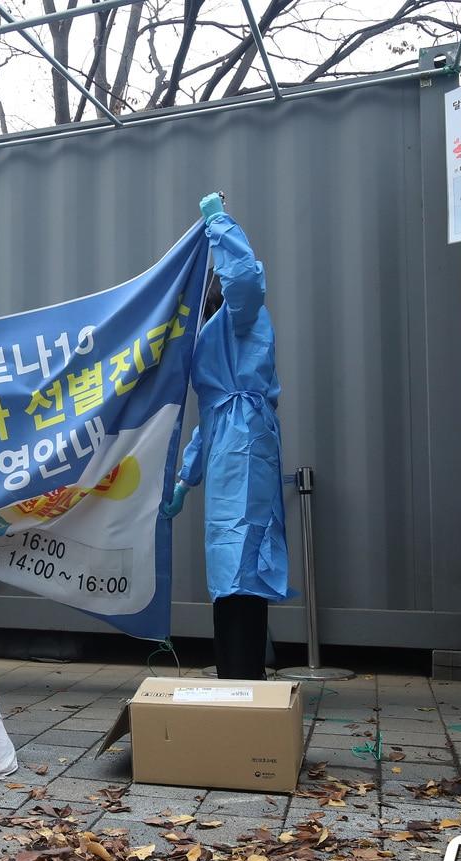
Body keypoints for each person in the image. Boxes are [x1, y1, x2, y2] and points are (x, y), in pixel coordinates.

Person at [162, 193, 288, 681]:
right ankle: (236, 670)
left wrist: (219, 225)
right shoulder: (214, 333)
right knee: (230, 556)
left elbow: (244, 278)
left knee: (242, 553)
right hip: (230, 441)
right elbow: (206, 420)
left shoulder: (241, 319)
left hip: (243, 441)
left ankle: (244, 670)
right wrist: (184, 480)